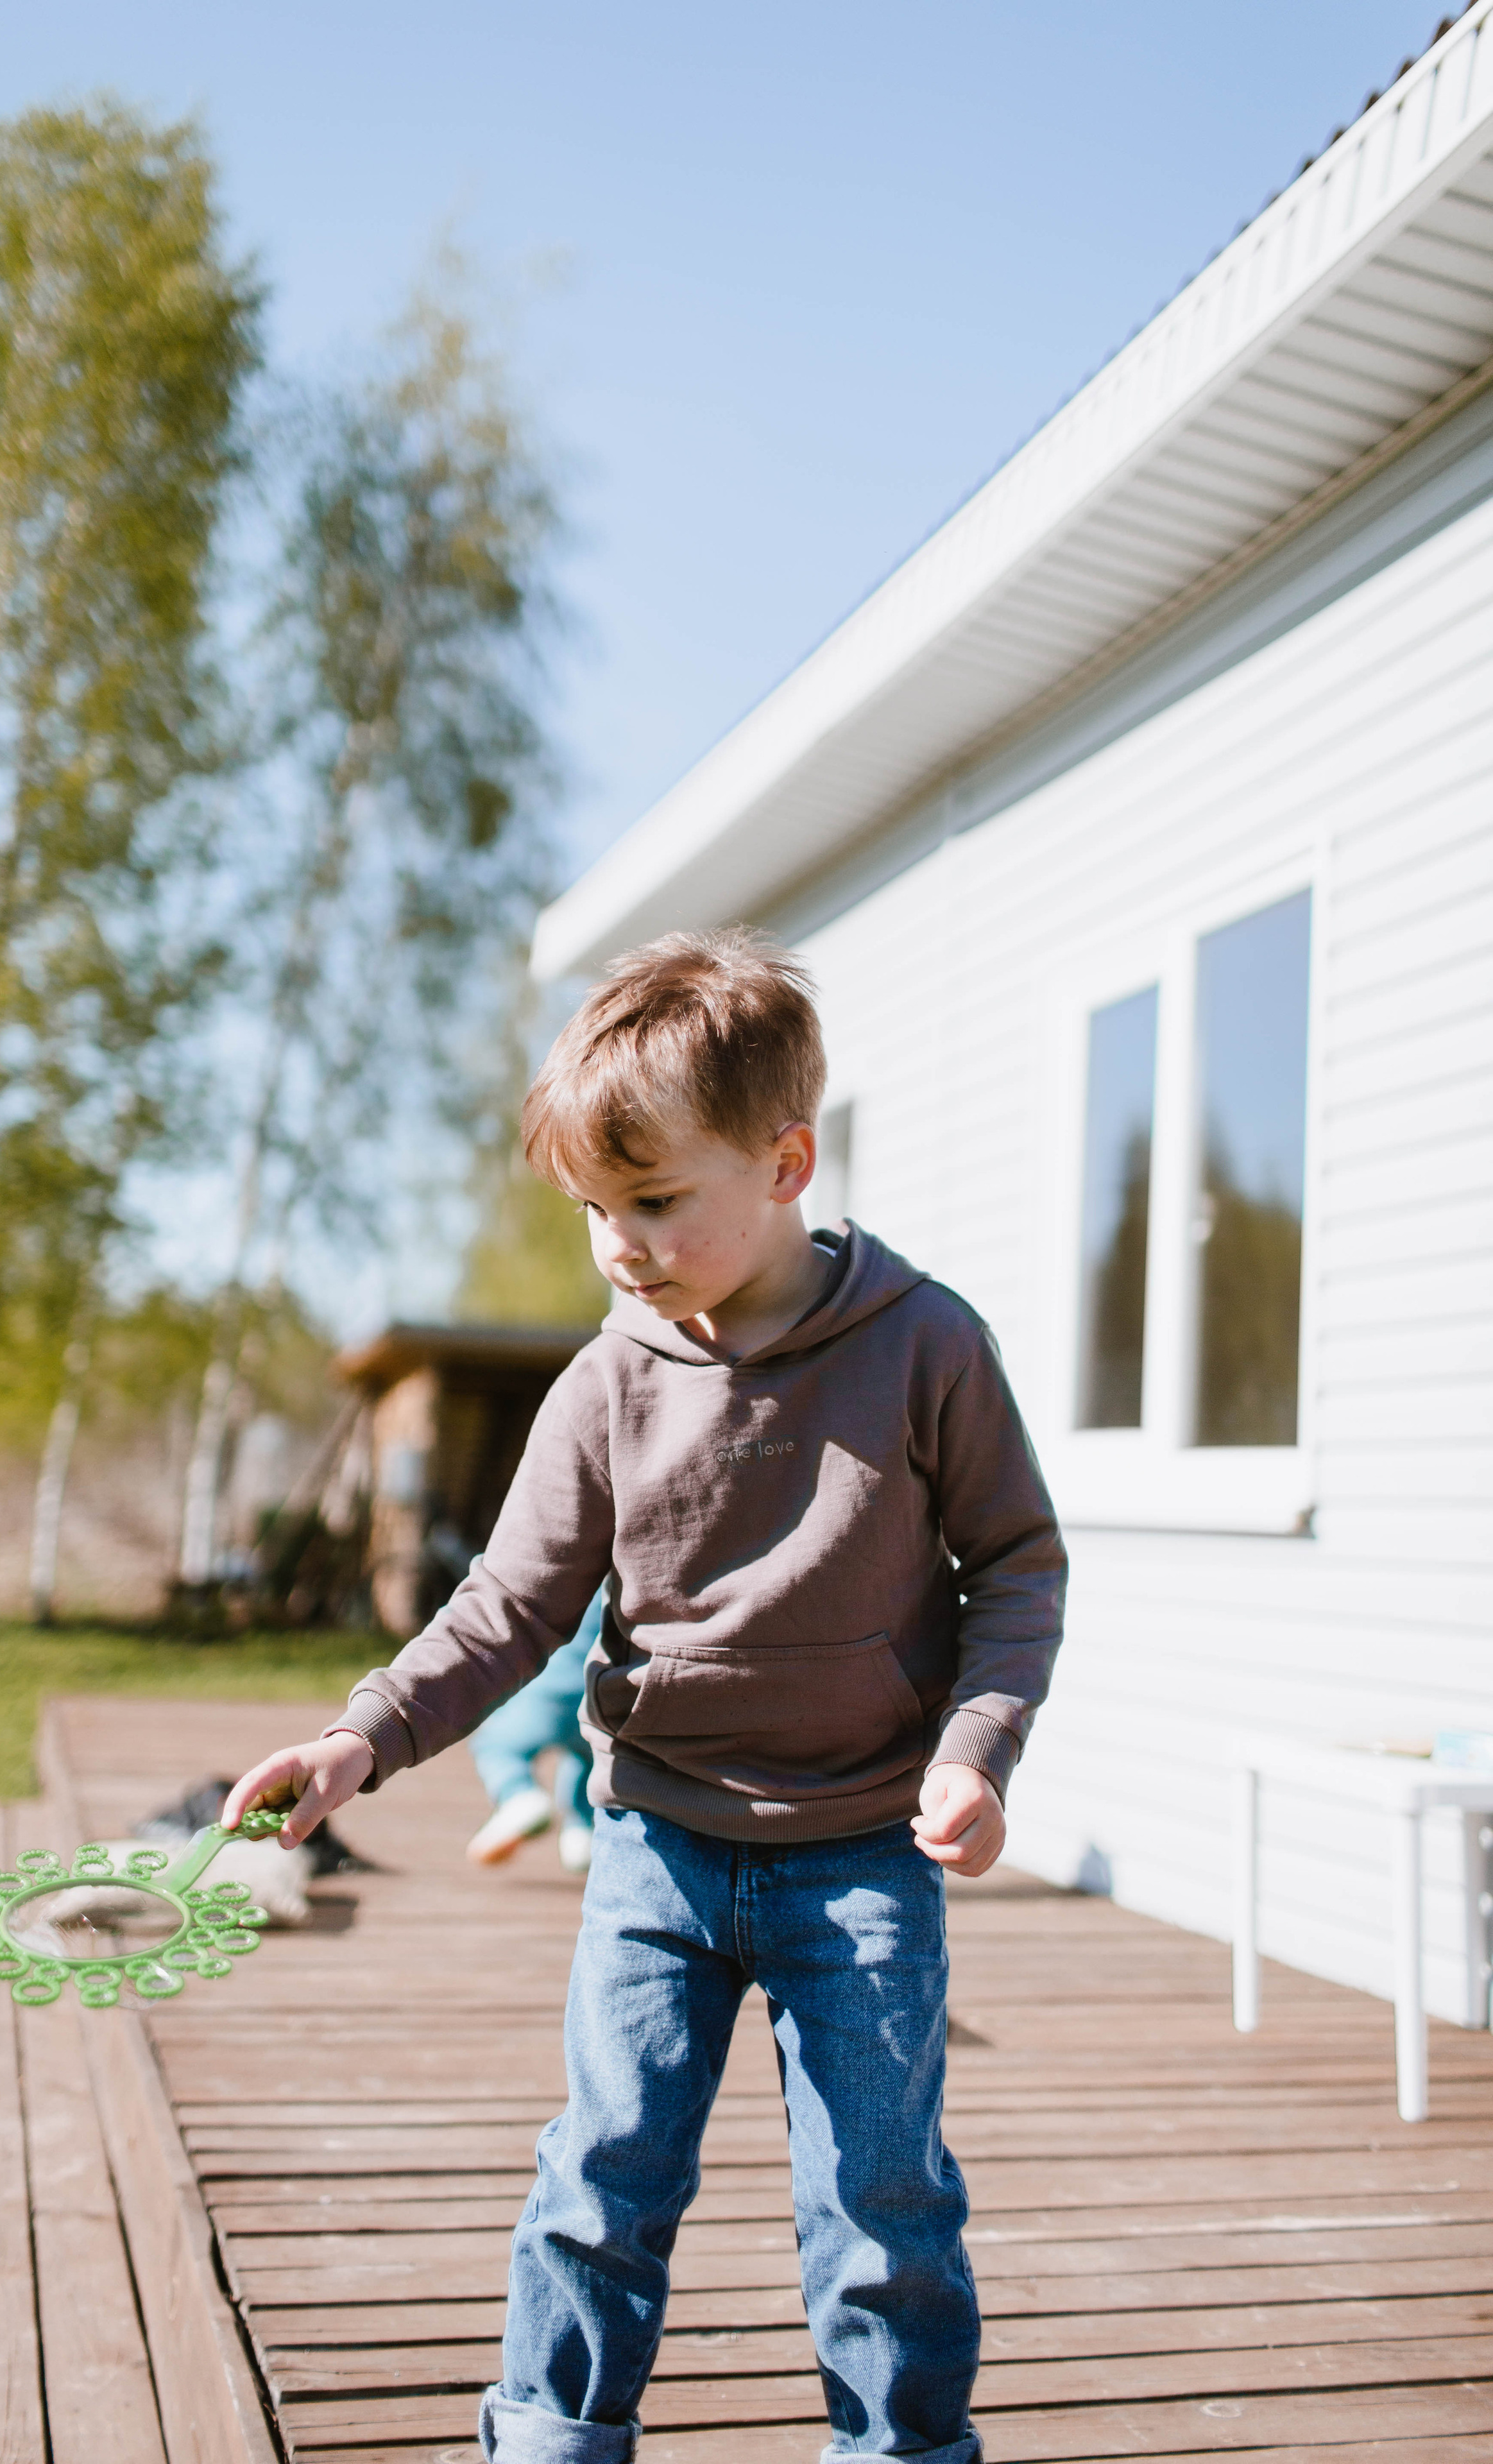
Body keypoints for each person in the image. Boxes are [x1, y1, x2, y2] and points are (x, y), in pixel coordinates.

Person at [224, 928, 1066, 2464]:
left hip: (865, 1850)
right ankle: (550, 2439)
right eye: (595, 1211)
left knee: (880, 2203)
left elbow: (1014, 1566)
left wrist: (974, 1747)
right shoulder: (602, 1386)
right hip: (656, 1854)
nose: (618, 1242)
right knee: (600, 2180)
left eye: (656, 1199)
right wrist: (365, 1731)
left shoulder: (926, 1346)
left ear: (786, 1159)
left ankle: (898, 2446)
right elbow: (506, 1604)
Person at [466, 1587, 601, 1871]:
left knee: (497, 1744)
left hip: (550, 1690)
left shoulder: (569, 1571)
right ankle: (581, 1834)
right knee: (587, 1759)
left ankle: (520, 1794)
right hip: (603, 1695)